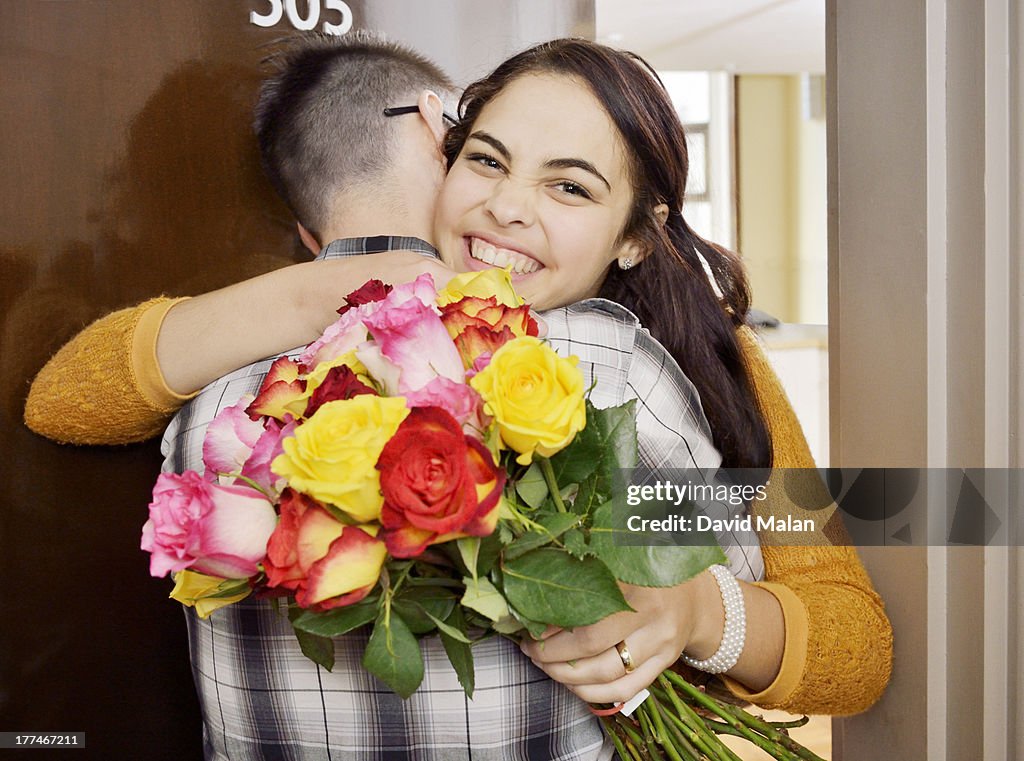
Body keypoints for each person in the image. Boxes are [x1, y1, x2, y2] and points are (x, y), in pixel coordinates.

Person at [24, 33, 891, 758]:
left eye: (569, 185)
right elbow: (65, 397)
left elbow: (855, 645)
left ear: (634, 237)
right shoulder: (325, 339)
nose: (506, 208)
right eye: (487, 160)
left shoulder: (687, 360)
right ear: (444, 157)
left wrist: (704, 610)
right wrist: (344, 291)